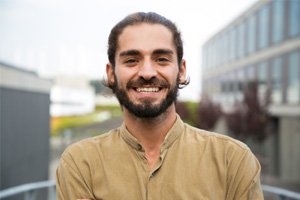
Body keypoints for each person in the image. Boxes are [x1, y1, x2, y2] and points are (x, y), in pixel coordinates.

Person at [56, 12, 264, 200]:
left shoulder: (233, 161)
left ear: (181, 71)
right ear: (111, 74)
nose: (147, 72)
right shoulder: (80, 164)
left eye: (161, 59)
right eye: (131, 60)